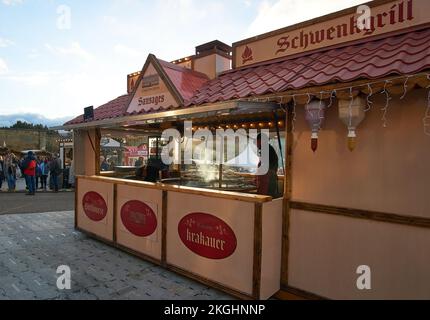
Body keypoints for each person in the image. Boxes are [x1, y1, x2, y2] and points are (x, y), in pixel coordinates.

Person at [255, 133, 279, 198]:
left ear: (260, 141)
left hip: (267, 180)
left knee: (265, 199)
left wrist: (258, 177)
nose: (256, 144)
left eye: (257, 141)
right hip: (268, 178)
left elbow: (264, 167)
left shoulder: (266, 149)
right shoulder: (268, 149)